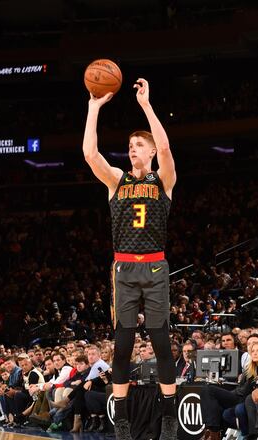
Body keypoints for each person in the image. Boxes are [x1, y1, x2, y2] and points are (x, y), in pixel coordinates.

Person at [82, 77, 177, 440]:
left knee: (161, 342)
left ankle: (168, 418)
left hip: (155, 266)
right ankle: (121, 421)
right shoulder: (116, 181)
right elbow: (91, 154)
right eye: (130, 145)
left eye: (139, 145)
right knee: (121, 346)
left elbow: (166, 149)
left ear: (150, 151)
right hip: (123, 268)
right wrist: (93, 108)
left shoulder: (162, 180)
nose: (132, 149)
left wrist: (147, 106)